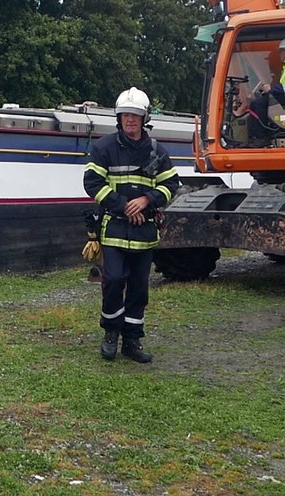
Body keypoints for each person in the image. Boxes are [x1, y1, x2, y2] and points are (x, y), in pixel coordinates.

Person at [82, 87, 180, 364]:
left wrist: (147, 200)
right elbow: (92, 183)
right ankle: (110, 333)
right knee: (113, 281)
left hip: (144, 233)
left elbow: (171, 185)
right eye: (126, 115)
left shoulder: (157, 152)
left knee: (139, 287)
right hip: (114, 228)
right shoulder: (104, 148)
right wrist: (125, 205)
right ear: (119, 117)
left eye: (136, 115)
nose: (130, 120)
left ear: (144, 117)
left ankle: (132, 340)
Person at [246, 37, 285, 147]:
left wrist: (273, 89)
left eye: (281, 51)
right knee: (258, 101)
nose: (280, 54)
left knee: (258, 104)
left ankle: (260, 137)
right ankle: (258, 136)